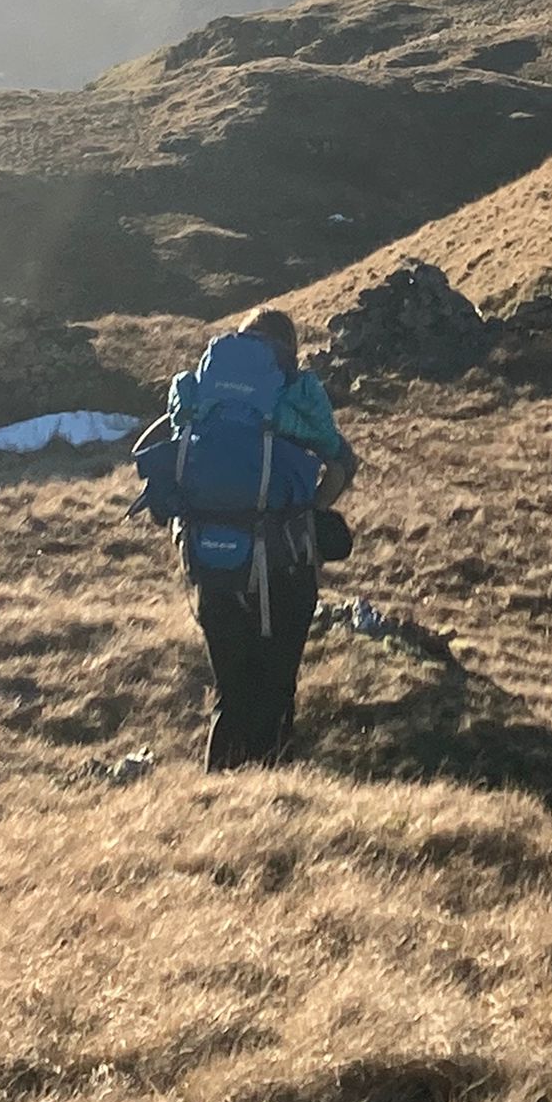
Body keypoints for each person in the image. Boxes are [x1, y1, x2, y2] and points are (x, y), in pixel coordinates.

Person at [163, 307, 355, 772]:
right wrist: (311, 512)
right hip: (283, 566)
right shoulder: (297, 390)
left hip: (212, 563)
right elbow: (341, 462)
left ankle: (217, 794)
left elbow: (172, 454)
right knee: (276, 685)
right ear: (287, 349)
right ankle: (272, 792)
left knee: (232, 688)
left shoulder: (197, 389)